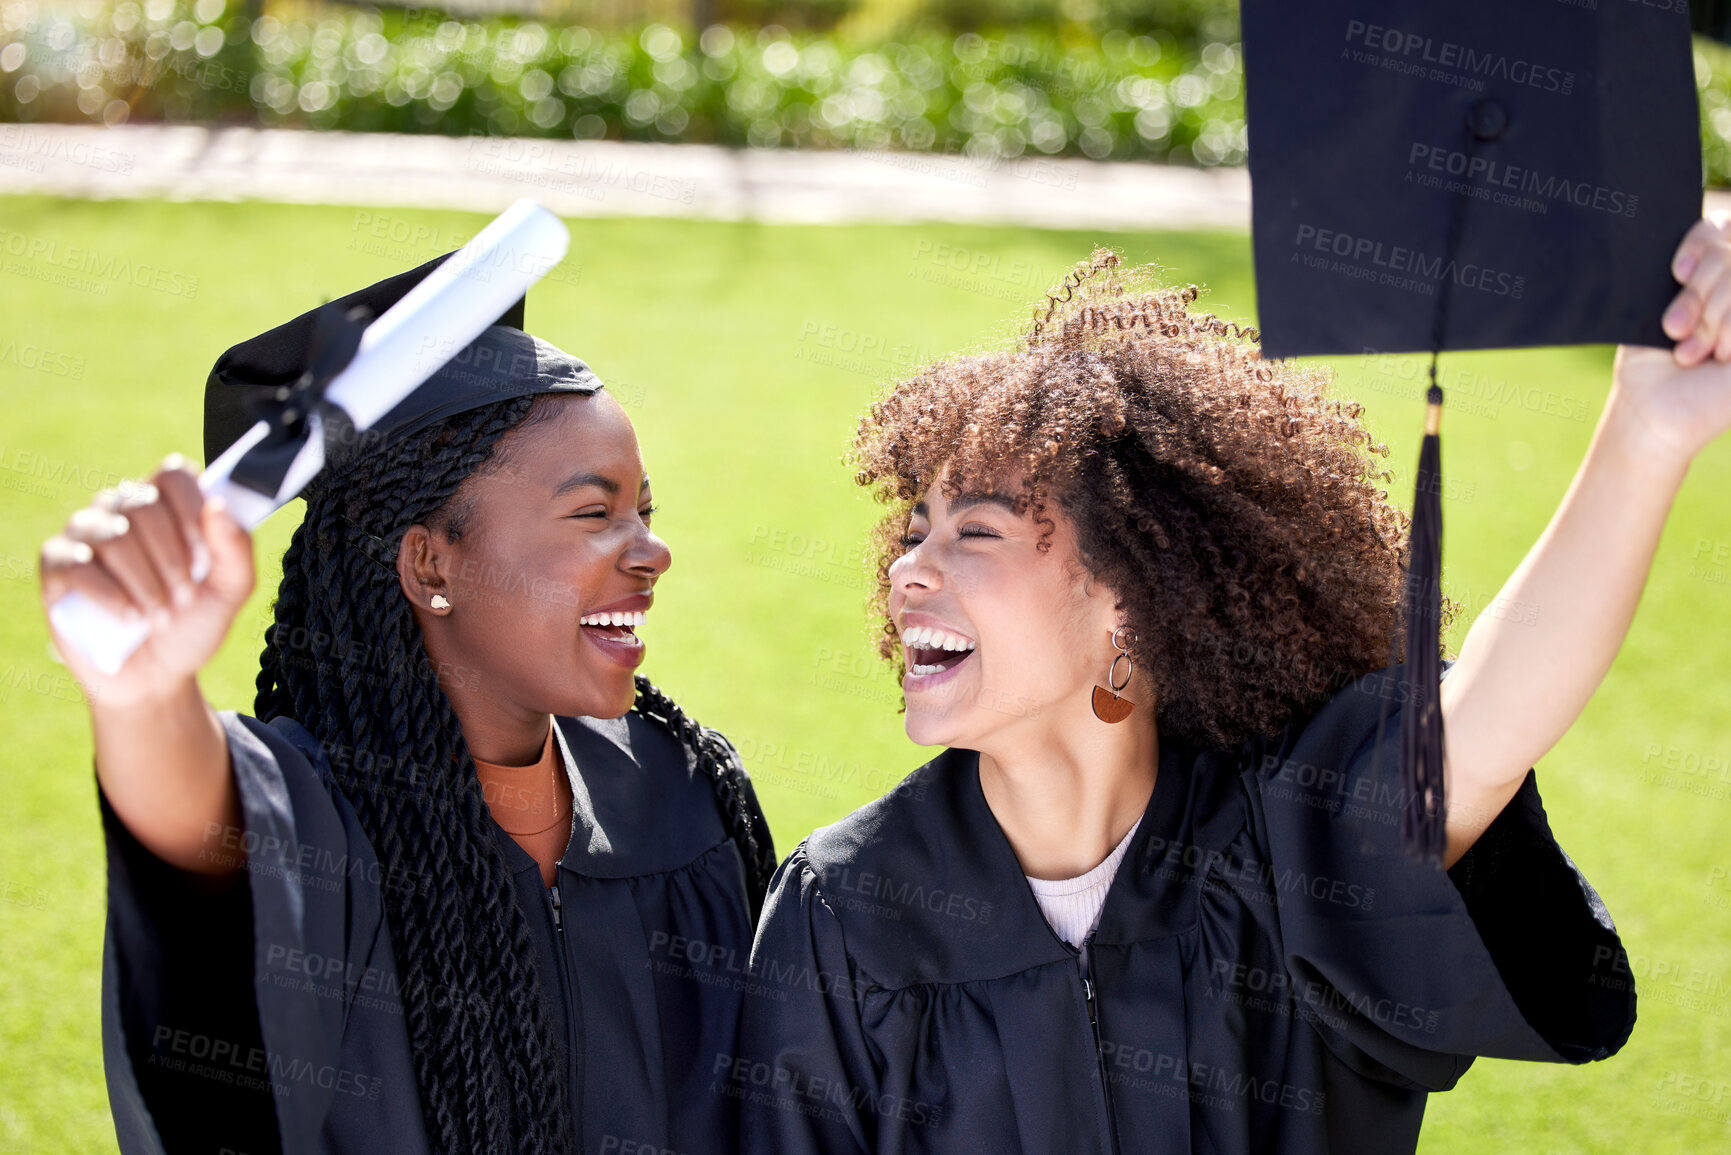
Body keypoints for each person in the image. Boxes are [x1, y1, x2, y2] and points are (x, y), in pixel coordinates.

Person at [734, 220, 1731, 1154]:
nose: (909, 569)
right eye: (913, 532)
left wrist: (1646, 433)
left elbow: (1484, 721)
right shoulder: (848, 911)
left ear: (1127, 598)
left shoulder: (1287, 850)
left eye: (976, 532)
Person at [39, 269, 775, 1155]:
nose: (652, 551)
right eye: (594, 512)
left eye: (645, 511)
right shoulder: (318, 814)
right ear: (430, 564)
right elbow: (195, 831)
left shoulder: (679, 790)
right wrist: (143, 692)